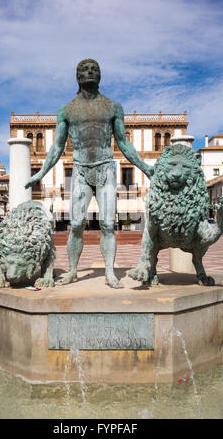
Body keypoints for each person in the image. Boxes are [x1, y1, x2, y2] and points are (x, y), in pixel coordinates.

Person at [25, 59, 153, 288]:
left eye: (94, 69)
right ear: (78, 77)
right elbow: (57, 147)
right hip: (81, 170)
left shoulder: (113, 107)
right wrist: (41, 173)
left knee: (106, 224)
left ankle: (109, 272)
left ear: (100, 75)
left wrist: (145, 167)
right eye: (85, 69)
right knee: (75, 224)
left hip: (105, 168)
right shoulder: (66, 110)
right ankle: (73, 271)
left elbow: (123, 142)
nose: (90, 71)